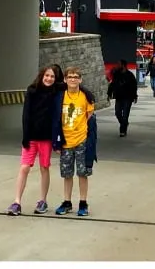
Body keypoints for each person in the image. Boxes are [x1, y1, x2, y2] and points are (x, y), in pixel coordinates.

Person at [7, 66, 62, 216]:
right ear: (42, 75)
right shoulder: (32, 91)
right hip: (31, 137)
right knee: (24, 168)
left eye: (52, 76)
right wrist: (25, 136)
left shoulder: (57, 92)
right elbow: (26, 114)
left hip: (46, 138)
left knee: (44, 168)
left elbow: (74, 84)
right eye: (47, 75)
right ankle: (17, 202)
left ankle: (42, 201)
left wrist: (87, 93)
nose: (49, 79)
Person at [53, 67, 97, 217]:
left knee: (82, 173)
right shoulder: (60, 97)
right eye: (70, 77)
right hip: (65, 141)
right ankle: (67, 202)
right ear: (65, 79)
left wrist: (81, 129)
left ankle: (83, 202)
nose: (73, 79)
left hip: (81, 140)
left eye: (76, 77)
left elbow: (89, 114)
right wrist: (56, 141)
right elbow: (55, 119)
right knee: (67, 174)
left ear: (80, 79)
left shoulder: (85, 97)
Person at [107, 60, 138, 137]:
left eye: (118, 64)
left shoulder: (130, 75)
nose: (117, 66)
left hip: (128, 98)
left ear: (123, 65)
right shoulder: (116, 74)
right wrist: (109, 94)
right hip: (119, 97)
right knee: (117, 113)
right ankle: (124, 123)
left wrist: (135, 96)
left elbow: (134, 87)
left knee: (125, 115)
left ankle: (122, 130)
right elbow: (112, 84)